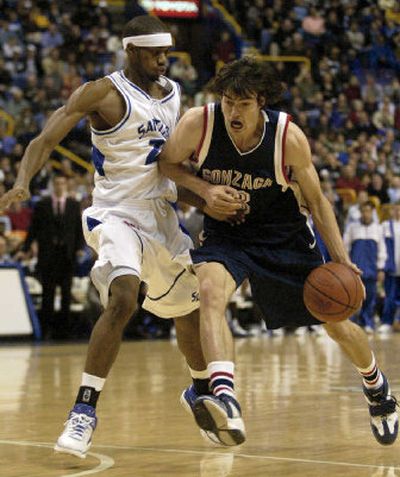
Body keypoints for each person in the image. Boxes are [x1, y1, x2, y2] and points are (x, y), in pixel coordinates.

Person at [0, 16, 242, 458]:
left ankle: (200, 391)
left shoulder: (173, 94)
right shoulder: (101, 93)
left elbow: (170, 167)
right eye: (155, 54)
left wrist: (206, 199)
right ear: (130, 51)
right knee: (124, 297)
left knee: (187, 313)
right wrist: (22, 180)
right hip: (115, 214)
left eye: (167, 53)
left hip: (162, 217)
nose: (164, 61)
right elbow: (45, 137)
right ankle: (83, 412)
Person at [159, 57, 398, 447]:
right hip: (228, 232)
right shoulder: (199, 124)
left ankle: (377, 387)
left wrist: (341, 260)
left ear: (262, 103)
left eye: (244, 104)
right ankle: (226, 396)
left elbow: (319, 202)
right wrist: (204, 193)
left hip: (283, 236)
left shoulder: (288, 137)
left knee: (335, 319)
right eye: (228, 101)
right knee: (210, 293)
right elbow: (166, 163)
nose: (233, 111)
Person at [22, 173, 84, 339]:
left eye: (62, 183)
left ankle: (64, 332)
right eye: (56, 183)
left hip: (67, 255)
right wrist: (26, 247)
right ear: (52, 185)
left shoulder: (73, 204)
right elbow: (33, 228)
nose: (59, 186)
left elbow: (78, 229)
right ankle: (46, 331)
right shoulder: (42, 204)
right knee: (47, 294)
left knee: (66, 294)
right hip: (48, 255)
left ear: (66, 185)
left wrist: (79, 247)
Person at [344, 201, 387, 334]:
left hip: (372, 269)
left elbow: (382, 250)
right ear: (360, 212)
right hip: (354, 269)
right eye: (363, 211)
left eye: (368, 211)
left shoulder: (378, 228)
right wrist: (345, 265)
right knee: (351, 298)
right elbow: (345, 247)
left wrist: (380, 268)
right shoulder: (352, 227)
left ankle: (367, 322)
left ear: (372, 212)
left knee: (370, 297)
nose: (366, 213)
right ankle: (349, 325)